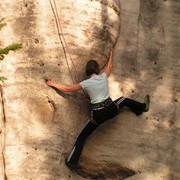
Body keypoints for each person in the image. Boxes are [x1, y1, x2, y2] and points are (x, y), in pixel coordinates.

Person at [46, 49, 150, 170]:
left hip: (98, 115)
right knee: (123, 100)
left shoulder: (85, 83)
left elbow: (67, 89)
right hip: (111, 109)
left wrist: (53, 84)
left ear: (87, 71)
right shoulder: (103, 76)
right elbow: (110, 66)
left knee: (82, 136)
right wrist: (111, 55)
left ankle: (72, 162)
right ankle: (142, 108)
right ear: (97, 69)